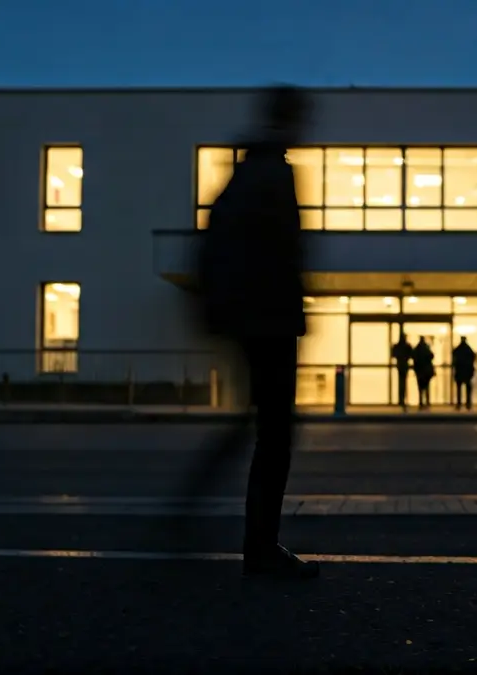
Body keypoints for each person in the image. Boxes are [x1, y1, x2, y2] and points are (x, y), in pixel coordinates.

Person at [186, 84, 318, 581]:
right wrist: (292, 304)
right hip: (269, 319)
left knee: (261, 429)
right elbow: (281, 253)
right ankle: (257, 548)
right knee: (274, 434)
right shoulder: (270, 173)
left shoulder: (249, 169)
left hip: (256, 318)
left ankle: (245, 538)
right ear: (290, 119)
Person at [452, 336, 477, 411]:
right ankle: (468, 404)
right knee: (468, 388)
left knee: (459, 388)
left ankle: (459, 404)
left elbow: (454, 356)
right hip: (466, 372)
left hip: (459, 371)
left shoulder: (458, 349)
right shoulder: (468, 349)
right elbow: (473, 357)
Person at [390, 333, 413, 411]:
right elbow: (411, 355)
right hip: (404, 366)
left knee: (401, 382)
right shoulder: (407, 346)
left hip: (400, 365)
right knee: (403, 383)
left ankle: (401, 399)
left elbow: (393, 354)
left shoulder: (397, 346)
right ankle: (403, 399)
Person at [412, 336, 435, 410]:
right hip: (426, 371)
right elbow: (432, 356)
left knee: (420, 388)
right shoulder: (426, 349)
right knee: (426, 387)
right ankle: (427, 402)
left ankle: (421, 402)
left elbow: (414, 357)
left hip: (420, 371)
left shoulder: (417, 349)